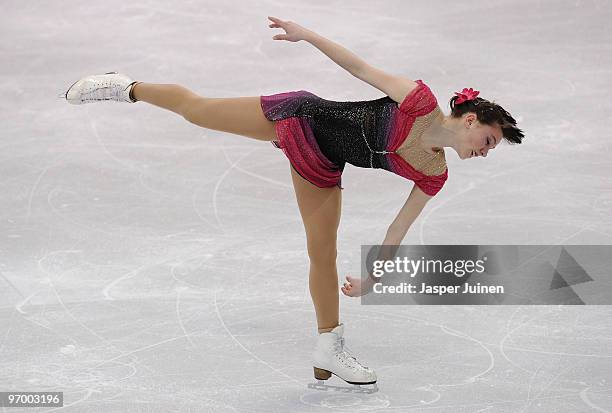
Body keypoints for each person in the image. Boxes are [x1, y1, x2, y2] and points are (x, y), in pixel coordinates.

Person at [60, 16, 524, 387]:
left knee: (321, 250)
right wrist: (307, 36)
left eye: (490, 149)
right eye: (488, 140)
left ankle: (329, 346)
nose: (485, 152)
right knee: (198, 111)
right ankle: (126, 87)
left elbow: (397, 230)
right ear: (470, 119)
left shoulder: (434, 172)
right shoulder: (417, 102)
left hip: (320, 163)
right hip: (299, 114)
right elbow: (359, 68)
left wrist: (372, 278)